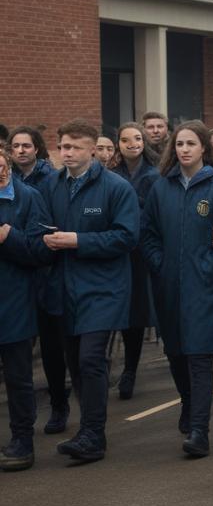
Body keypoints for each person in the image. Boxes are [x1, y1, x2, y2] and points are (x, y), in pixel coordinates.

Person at [141, 121, 213, 457]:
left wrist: (211, 265)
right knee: (176, 354)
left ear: (205, 148)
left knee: (199, 357)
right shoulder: (161, 188)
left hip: (206, 289)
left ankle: (200, 431)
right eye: (179, 144)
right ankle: (188, 405)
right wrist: (161, 265)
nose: (184, 149)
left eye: (191, 144)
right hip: (170, 289)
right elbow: (147, 235)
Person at [43, 120, 141, 463]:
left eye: (74, 148)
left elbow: (128, 236)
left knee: (90, 360)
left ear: (91, 150)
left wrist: (78, 240)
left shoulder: (115, 188)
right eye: (62, 147)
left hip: (104, 288)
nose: (66, 153)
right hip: (65, 289)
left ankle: (92, 434)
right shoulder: (51, 185)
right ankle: (89, 431)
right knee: (75, 363)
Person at [0, 149, 53, 471]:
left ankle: (22, 440)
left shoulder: (28, 198)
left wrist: (8, 237)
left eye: (1, 166)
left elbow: (42, 250)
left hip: (14, 302)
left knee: (18, 378)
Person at [108, 122, 160, 400]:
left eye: (137, 138)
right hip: (116, 250)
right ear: (119, 144)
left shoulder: (154, 174)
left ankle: (130, 369)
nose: (132, 143)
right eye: (126, 139)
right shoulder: (111, 175)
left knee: (137, 312)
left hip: (140, 251)